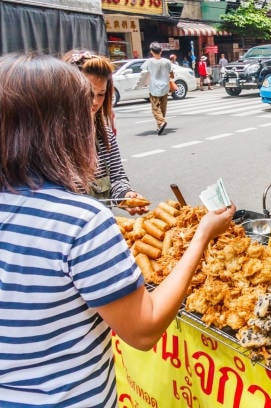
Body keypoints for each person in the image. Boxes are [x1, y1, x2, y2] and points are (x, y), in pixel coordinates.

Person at [0, 52, 236, 407]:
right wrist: (202, 234)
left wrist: (123, 195)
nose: (93, 111)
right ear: (62, 126)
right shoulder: (81, 222)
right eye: (83, 106)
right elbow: (143, 329)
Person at [65, 50, 148, 215]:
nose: (95, 102)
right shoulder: (48, 140)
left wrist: (126, 195)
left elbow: (117, 178)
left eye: (101, 94)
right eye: (87, 94)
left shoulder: (104, 134)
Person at [139, 41, 173, 135]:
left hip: (154, 88)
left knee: (155, 108)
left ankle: (161, 122)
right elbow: (172, 74)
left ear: (152, 52)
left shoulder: (149, 62)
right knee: (163, 108)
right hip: (165, 87)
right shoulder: (167, 61)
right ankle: (160, 125)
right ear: (161, 51)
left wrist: (144, 83)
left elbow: (144, 74)